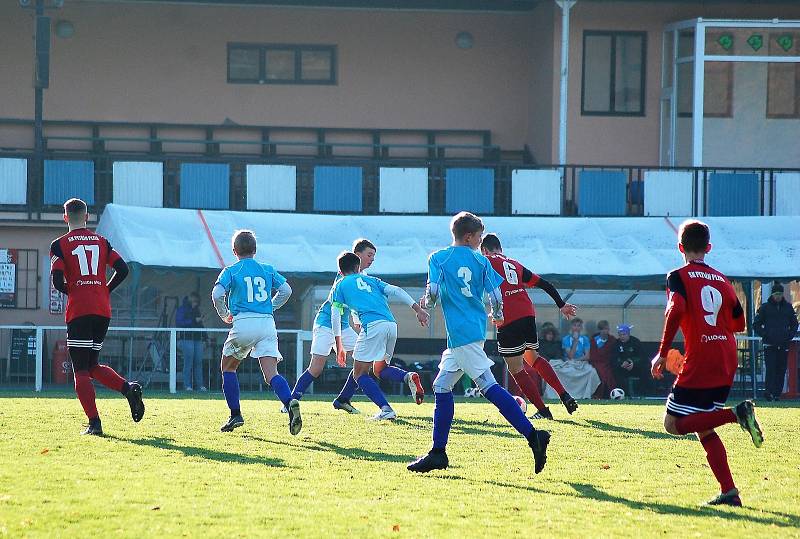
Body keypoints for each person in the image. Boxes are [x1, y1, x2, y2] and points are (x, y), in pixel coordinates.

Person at [407, 212, 550, 474]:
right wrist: (497, 315)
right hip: (472, 330)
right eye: (480, 236)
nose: (480, 241)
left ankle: (533, 436)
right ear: (470, 236)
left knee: (488, 386)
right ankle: (438, 453)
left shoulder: (438, 258)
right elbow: (496, 296)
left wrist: (425, 304)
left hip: (460, 333)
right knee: (441, 386)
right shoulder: (482, 261)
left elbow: (434, 292)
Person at [651, 219, 763, 507]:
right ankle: (730, 492)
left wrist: (663, 352)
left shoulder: (677, 276)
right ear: (709, 248)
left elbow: (676, 310)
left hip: (701, 355)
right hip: (726, 354)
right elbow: (739, 323)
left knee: (672, 424)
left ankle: (736, 414)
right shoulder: (724, 280)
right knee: (703, 426)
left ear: (680, 247)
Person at [49, 198, 145, 436]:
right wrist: (105, 289)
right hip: (102, 310)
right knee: (91, 365)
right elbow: (123, 269)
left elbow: (57, 281)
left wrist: (75, 290)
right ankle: (128, 388)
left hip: (79, 310)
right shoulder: (102, 242)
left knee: (80, 369)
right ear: (86, 217)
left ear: (65, 217)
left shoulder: (59, 245)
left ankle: (95, 423)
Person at [480, 233, 578, 420]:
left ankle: (543, 410)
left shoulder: (485, 261)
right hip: (527, 313)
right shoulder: (514, 264)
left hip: (509, 318)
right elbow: (545, 284)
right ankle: (564, 394)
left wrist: (497, 313)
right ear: (500, 248)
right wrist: (561, 305)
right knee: (534, 358)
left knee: (516, 368)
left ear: (484, 250)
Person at [211, 230, 297, 434]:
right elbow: (287, 291)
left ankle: (235, 415)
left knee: (228, 368)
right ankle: (289, 401)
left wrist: (225, 314)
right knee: (271, 373)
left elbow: (216, 294)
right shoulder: (267, 269)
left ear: (234, 251)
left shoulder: (231, 270)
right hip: (267, 323)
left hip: (243, 322)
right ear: (255, 250)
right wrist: (270, 306)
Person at [331, 252, 430, 420]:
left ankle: (386, 409)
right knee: (380, 369)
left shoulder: (339, 285)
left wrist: (338, 344)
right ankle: (407, 377)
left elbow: (335, 315)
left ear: (340, 272)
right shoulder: (373, 280)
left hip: (373, 326)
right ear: (357, 267)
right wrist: (418, 309)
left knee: (359, 374)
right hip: (391, 325)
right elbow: (397, 290)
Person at [288, 238, 375, 414]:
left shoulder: (361, 278)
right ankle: (290, 402)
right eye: (369, 255)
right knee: (316, 368)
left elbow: (351, 302)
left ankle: (343, 399)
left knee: (364, 362)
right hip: (326, 324)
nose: (372, 259)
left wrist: (355, 318)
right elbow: (340, 301)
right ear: (357, 256)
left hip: (343, 327)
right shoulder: (344, 274)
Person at [753, 282, 798, 401]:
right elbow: (756, 324)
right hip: (770, 344)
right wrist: (765, 335)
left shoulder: (788, 307)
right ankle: (768, 393)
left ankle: (777, 394)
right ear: (772, 295)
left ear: (782, 295)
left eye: (780, 294)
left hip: (783, 344)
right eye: (776, 294)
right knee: (771, 369)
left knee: (781, 369)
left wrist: (789, 335)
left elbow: (794, 323)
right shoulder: (765, 307)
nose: (778, 296)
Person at [543, 318, 600, 400]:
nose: (576, 328)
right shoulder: (566, 339)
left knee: (592, 371)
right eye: (574, 326)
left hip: (580, 363)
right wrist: (575, 341)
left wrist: (577, 360)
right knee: (556, 371)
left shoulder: (585, 339)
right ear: (571, 327)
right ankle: (558, 394)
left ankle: (585, 395)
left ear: (581, 328)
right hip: (568, 363)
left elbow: (587, 356)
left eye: (578, 326)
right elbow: (570, 356)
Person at [176, 292, 207, 392]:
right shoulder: (182, 309)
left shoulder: (196, 309)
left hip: (198, 338)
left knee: (198, 362)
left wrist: (205, 337)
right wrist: (194, 320)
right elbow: (179, 322)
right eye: (194, 301)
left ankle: (200, 385)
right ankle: (187, 385)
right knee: (188, 362)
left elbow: (200, 324)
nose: (195, 303)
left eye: (197, 301)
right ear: (189, 299)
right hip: (186, 338)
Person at [613, 324, 648, 396]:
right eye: (620, 335)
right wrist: (621, 364)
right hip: (622, 368)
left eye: (624, 334)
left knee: (645, 369)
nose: (622, 337)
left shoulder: (635, 342)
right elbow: (613, 358)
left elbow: (643, 357)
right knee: (616, 371)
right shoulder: (616, 344)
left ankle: (642, 394)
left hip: (635, 367)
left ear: (628, 334)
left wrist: (633, 363)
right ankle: (623, 394)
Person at [589, 320, 617, 399]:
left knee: (609, 374)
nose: (605, 331)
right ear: (599, 330)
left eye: (607, 329)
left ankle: (611, 393)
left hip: (608, 363)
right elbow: (593, 355)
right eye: (603, 329)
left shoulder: (612, 340)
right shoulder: (593, 341)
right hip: (596, 363)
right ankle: (598, 394)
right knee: (601, 374)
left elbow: (613, 354)